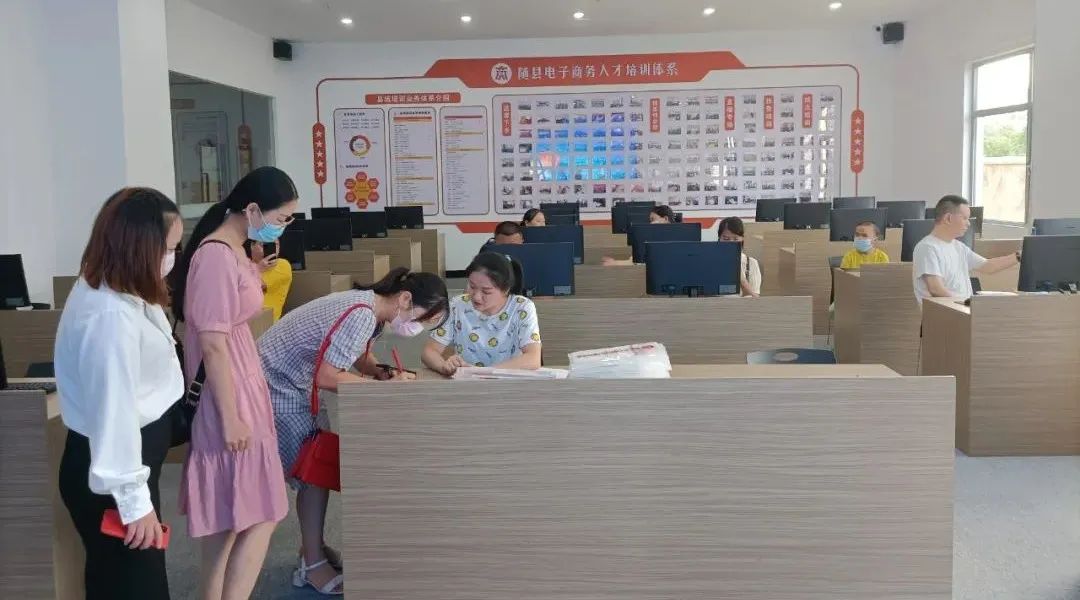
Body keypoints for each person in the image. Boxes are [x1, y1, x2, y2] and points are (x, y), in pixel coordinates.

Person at [257, 268, 448, 595]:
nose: (417, 328)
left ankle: (313, 548)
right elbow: (328, 377)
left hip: (291, 382)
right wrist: (382, 389)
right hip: (277, 386)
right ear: (405, 299)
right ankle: (312, 563)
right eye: (422, 319)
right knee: (313, 476)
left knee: (317, 471)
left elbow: (358, 355)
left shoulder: (369, 309)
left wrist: (381, 371)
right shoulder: (362, 315)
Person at [169, 166, 297, 600]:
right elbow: (213, 343)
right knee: (258, 512)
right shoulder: (215, 257)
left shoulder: (233, 252)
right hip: (229, 395)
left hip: (242, 384)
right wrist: (231, 417)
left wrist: (252, 269)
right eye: (282, 217)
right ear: (253, 209)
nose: (284, 226)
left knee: (234, 515)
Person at [55, 187, 185, 599]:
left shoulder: (123, 289)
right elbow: (114, 414)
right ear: (139, 247)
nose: (173, 258)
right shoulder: (109, 315)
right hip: (116, 473)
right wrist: (134, 503)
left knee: (120, 583)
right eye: (169, 249)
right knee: (135, 587)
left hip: (129, 461)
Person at [422, 252, 541, 375]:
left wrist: (484, 372)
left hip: (508, 382)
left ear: (506, 289)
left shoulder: (522, 307)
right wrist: (444, 366)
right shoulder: (457, 305)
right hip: (467, 381)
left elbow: (533, 358)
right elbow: (429, 351)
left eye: (486, 291)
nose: (476, 297)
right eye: (472, 287)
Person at [913, 195, 1019, 304]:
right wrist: (965, 304)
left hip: (964, 309)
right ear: (948, 218)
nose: (968, 223)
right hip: (947, 311)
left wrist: (1018, 256)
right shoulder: (927, 248)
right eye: (964, 218)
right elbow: (936, 289)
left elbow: (988, 266)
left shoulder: (959, 247)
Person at [602, 205, 676, 266]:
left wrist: (616, 263)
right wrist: (615, 263)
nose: (651, 223)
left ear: (665, 219)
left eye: (653, 219)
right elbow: (638, 261)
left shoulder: (676, 238)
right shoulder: (652, 238)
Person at [245, 239, 293, 321]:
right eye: (263, 245)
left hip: (266, 322)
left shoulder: (282, 265)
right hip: (242, 320)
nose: (271, 248)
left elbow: (251, 288)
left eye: (276, 244)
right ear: (252, 246)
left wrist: (257, 270)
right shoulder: (243, 264)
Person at [717, 216, 763, 297]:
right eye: (726, 239)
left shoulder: (751, 263)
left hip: (741, 305)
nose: (731, 243)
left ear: (742, 239)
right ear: (719, 239)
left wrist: (742, 280)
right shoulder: (710, 262)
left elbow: (755, 299)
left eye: (735, 239)